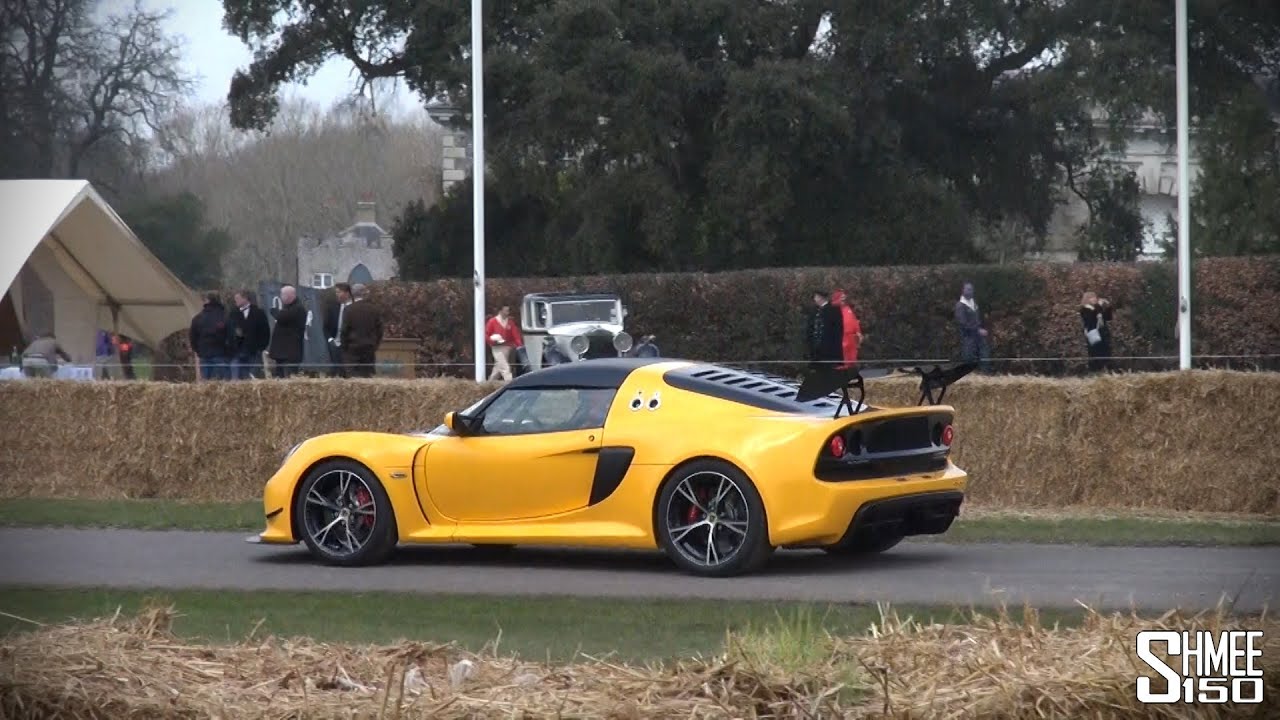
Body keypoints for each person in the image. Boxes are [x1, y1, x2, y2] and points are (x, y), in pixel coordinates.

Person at [340, 283, 383, 378]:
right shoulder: (374, 309)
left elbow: (344, 331)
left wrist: (344, 347)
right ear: (365, 294)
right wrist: (375, 344)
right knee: (367, 375)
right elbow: (380, 330)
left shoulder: (348, 309)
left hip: (352, 347)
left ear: (352, 294)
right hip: (369, 347)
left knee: (352, 376)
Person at [228, 290, 271, 380]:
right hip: (237, 351)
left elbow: (265, 332)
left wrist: (261, 348)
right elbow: (229, 330)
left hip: (253, 351)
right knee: (236, 378)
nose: (235, 301)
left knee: (252, 378)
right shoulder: (233, 313)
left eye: (237, 298)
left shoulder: (259, 313)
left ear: (245, 298)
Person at [189, 292, 232, 381]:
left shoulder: (198, 318)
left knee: (206, 383)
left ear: (206, 301)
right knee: (221, 383)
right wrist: (229, 352)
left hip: (204, 354)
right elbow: (231, 337)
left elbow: (192, 337)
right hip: (221, 354)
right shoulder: (225, 316)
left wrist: (198, 351)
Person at [267, 285, 307, 378]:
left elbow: (282, 317)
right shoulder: (288, 307)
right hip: (282, 352)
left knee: (289, 376)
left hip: (290, 352)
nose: (281, 297)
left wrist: (275, 311)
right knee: (280, 376)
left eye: (282, 294)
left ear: (290, 295)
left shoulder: (298, 308)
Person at [954, 282, 990, 372]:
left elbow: (979, 319)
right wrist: (977, 330)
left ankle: (984, 375)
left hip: (978, 337)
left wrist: (982, 328)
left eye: (971, 289)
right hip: (967, 336)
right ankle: (970, 375)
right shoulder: (960, 305)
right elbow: (963, 323)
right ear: (963, 290)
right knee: (969, 358)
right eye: (968, 289)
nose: (970, 291)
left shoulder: (974, 304)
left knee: (984, 356)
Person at [485, 305, 524, 381]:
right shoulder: (492, 321)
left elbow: (515, 335)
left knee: (498, 367)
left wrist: (519, 345)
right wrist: (492, 341)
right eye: (506, 311)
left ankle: (489, 383)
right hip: (496, 347)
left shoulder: (510, 322)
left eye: (508, 311)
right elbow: (487, 334)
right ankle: (509, 382)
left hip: (507, 347)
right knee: (505, 367)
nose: (507, 313)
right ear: (500, 311)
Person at [807, 290, 843, 367]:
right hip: (816, 349)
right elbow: (811, 327)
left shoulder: (833, 310)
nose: (814, 299)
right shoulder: (815, 311)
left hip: (829, 348)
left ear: (821, 297)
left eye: (816, 297)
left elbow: (838, 330)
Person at [1080, 291, 1114, 373]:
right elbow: (1091, 319)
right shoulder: (1085, 309)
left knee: (1106, 352)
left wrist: (1108, 307)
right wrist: (1099, 306)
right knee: (1095, 353)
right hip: (1094, 334)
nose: (1094, 299)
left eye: (1095, 297)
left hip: (1103, 333)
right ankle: (1095, 370)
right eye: (1091, 298)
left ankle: (1106, 369)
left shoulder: (1097, 309)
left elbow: (1108, 318)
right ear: (1087, 299)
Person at [323, 283, 353, 377]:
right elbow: (325, 326)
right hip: (334, 344)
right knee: (334, 371)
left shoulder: (354, 308)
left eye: (339, 292)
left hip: (348, 345)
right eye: (336, 292)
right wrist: (330, 339)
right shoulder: (332, 307)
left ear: (347, 293)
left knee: (347, 372)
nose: (337, 294)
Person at [830, 290, 863, 369]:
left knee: (851, 360)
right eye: (841, 297)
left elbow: (854, 321)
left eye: (844, 297)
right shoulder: (832, 310)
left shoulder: (847, 308)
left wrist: (858, 332)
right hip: (840, 338)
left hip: (851, 339)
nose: (843, 299)